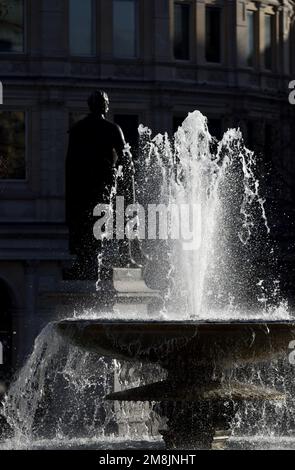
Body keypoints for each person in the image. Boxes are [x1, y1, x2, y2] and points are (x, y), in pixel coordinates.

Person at [66, 90, 128, 280]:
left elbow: (70, 162)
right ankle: (114, 257)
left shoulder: (77, 128)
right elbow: (125, 158)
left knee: (85, 225)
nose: (108, 105)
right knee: (107, 222)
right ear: (104, 105)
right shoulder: (112, 128)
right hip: (104, 184)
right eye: (106, 102)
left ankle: (86, 263)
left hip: (81, 187)